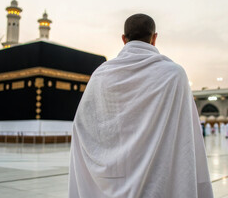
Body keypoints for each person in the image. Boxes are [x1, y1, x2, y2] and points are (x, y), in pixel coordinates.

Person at [69, 14, 213, 198]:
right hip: (159, 178)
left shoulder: (101, 75)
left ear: (123, 39)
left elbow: (81, 125)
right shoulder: (174, 74)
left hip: (115, 177)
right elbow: (187, 133)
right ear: (154, 38)